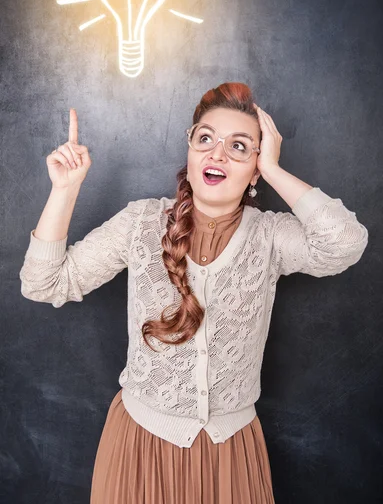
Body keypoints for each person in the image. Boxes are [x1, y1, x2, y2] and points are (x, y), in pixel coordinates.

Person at [19, 82, 369, 503]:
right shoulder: (141, 223)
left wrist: (275, 169)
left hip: (231, 454)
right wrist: (65, 189)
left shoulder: (271, 236)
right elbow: (44, 283)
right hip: (140, 450)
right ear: (190, 149)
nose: (217, 153)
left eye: (239, 146)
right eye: (205, 138)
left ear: (256, 167)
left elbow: (345, 243)